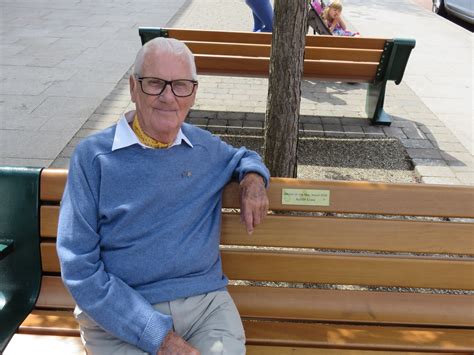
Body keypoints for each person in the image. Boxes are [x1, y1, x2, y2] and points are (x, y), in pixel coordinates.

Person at [56, 37, 270, 355]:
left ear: (193, 93)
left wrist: (253, 181)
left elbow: (243, 157)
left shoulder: (204, 148)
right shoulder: (93, 157)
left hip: (205, 309)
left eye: (180, 85)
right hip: (120, 317)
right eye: (155, 83)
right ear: (133, 87)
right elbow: (79, 268)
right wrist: (161, 339)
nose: (168, 97)